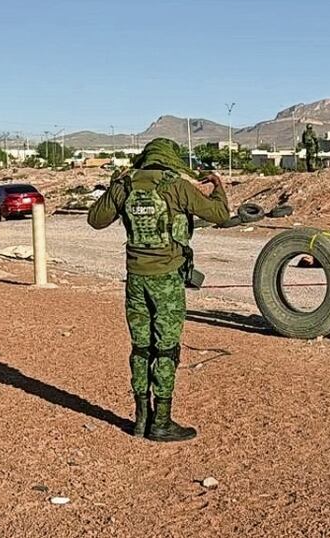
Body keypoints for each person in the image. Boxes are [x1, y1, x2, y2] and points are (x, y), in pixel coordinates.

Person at [87, 138, 230, 441]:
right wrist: (218, 185)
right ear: (170, 159)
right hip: (167, 280)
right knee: (165, 349)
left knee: (141, 347)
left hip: (135, 280)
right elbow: (220, 215)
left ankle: (140, 419)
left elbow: (95, 220)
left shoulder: (125, 185)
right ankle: (161, 422)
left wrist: (115, 184)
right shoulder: (176, 186)